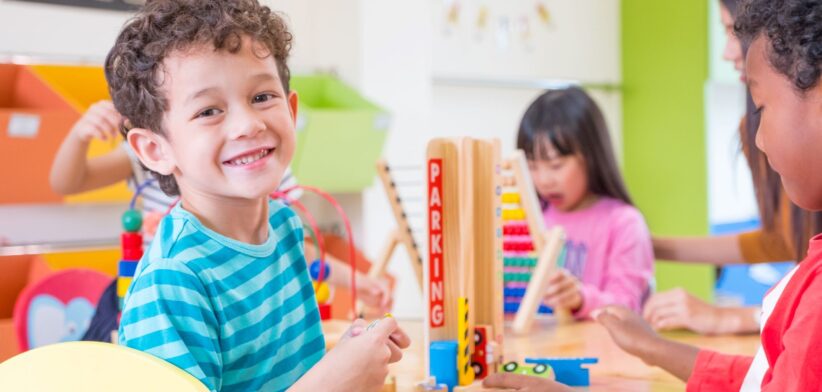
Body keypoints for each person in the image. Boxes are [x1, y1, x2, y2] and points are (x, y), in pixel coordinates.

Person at [106, 1, 409, 391]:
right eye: (209, 110)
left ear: (292, 110)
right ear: (155, 150)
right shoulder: (173, 281)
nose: (249, 124)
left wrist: (346, 358)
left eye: (262, 97)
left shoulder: (283, 227)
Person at [644, 0, 822, 336]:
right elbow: (782, 239)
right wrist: (653, 245)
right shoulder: (767, 131)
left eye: (731, 29)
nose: (729, 51)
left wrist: (742, 317)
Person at [517, 87, 654, 319]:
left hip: (600, 351)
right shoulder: (531, 218)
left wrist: (580, 298)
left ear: (590, 157)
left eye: (555, 165)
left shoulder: (623, 223)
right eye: (532, 166)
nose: (543, 179)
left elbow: (628, 306)